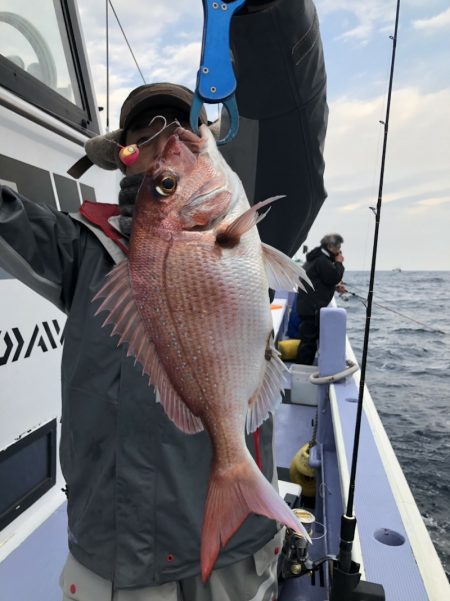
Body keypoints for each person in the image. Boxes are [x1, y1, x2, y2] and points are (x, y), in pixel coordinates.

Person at [0, 1, 328, 599]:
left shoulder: (242, 221)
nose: (163, 142)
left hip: (232, 551)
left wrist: (271, 15)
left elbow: (297, 154)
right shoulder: (81, 249)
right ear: (125, 157)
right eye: (143, 138)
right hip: (110, 555)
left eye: (178, 128)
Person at [295, 234, 345, 365]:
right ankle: (302, 368)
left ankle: (303, 366)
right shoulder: (322, 260)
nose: (339, 250)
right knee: (308, 343)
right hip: (312, 309)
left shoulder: (316, 258)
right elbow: (333, 277)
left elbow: (320, 281)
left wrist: (335, 287)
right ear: (329, 246)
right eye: (338, 247)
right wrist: (339, 262)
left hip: (307, 306)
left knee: (307, 341)